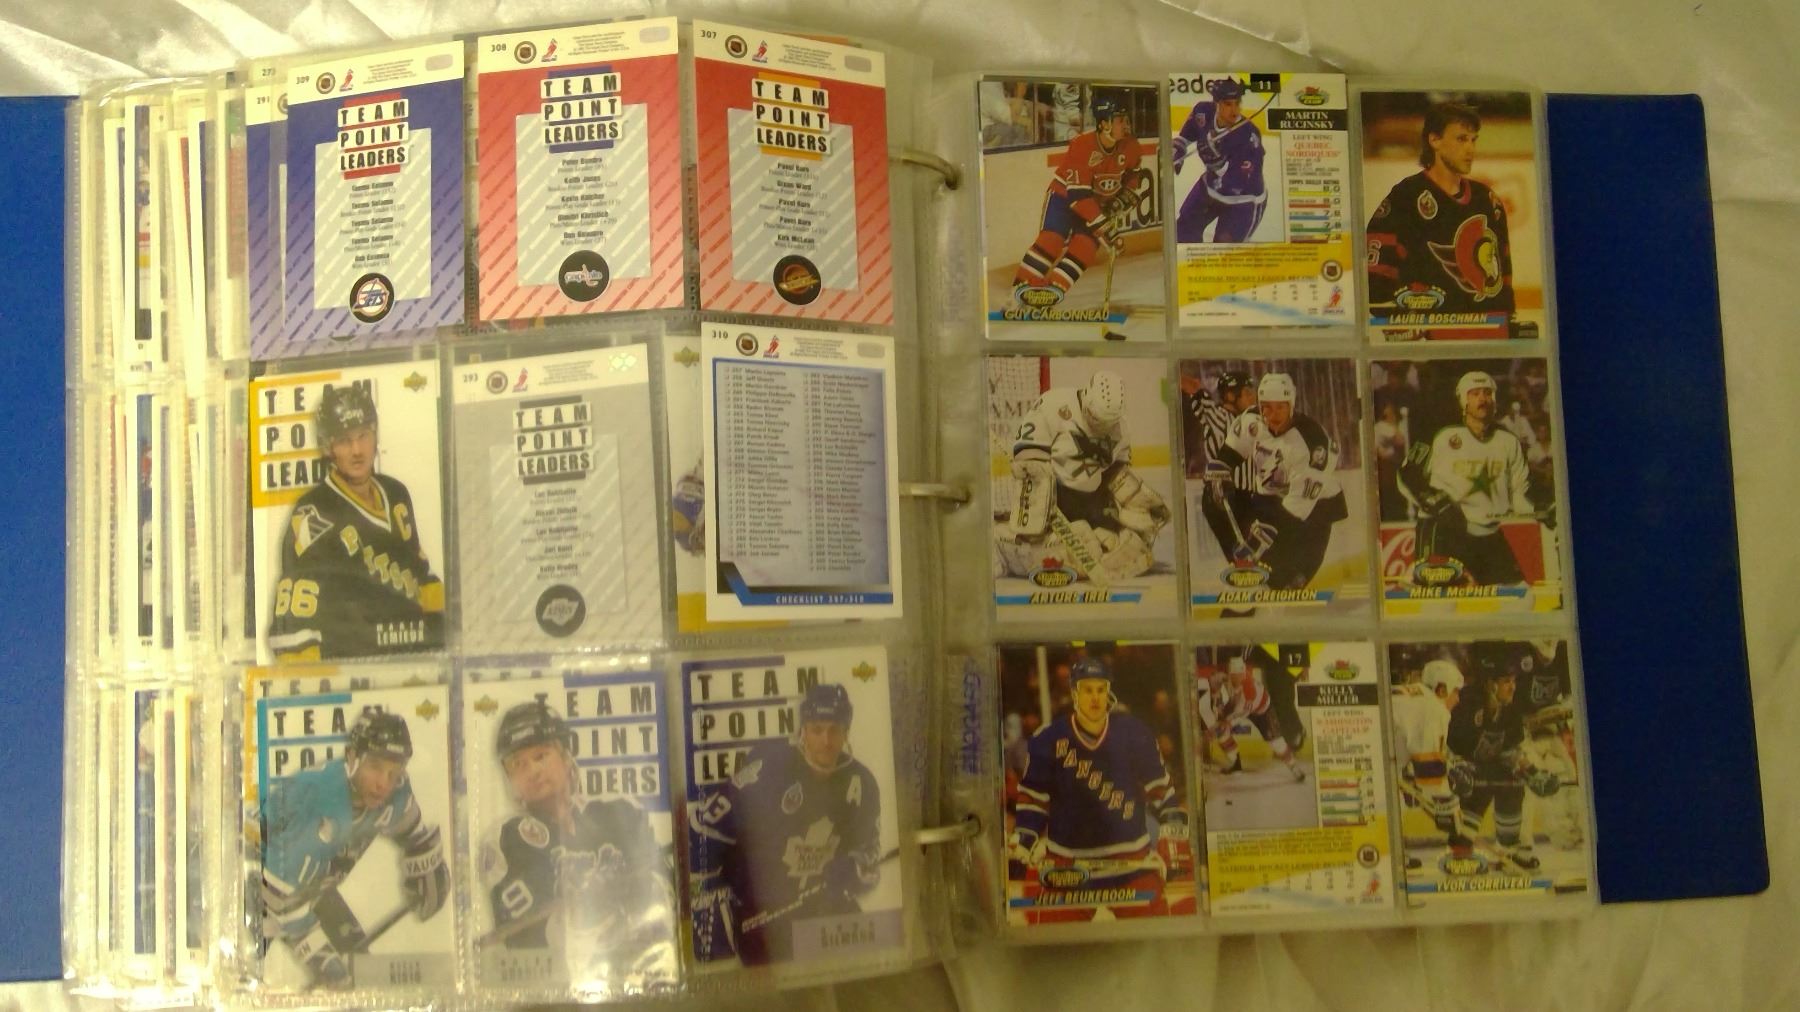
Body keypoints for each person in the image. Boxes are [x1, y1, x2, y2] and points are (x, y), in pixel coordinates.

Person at [687, 684, 883, 965]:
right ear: (803, 729)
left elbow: (870, 854)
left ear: (846, 732)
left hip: (820, 906)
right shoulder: (770, 766)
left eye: (835, 730)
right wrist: (713, 891)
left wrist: (855, 867)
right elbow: (704, 829)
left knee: (865, 960)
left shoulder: (862, 783)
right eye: (817, 729)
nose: (826, 740)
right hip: (758, 910)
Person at [258, 711, 448, 990]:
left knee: (361, 975)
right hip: (258, 891)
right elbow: (279, 901)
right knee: (246, 976)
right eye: (375, 766)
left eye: (393, 772)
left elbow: (413, 834)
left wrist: (427, 864)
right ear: (351, 757)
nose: (384, 783)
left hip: (310, 888)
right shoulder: (320, 803)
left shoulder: (395, 792)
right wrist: (321, 959)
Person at [479, 701, 668, 968]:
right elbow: (526, 940)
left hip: (642, 969)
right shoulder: (507, 840)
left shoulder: (620, 812)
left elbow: (665, 897)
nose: (532, 771)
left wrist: (633, 892)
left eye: (541, 756)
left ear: (566, 756)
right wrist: (590, 907)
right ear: (510, 780)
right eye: (518, 764)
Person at [267, 384, 444, 660]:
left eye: (363, 436)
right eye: (344, 441)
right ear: (328, 447)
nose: (357, 450)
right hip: (350, 660)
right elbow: (295, 605)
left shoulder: (396, 494)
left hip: (410, 653)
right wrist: (308, 671)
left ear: (375, 436)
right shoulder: (313, 512)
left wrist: (444, 634)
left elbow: (420, 574)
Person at [1009, 657, 1189, 919]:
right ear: (1074, 693)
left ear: (1108, 693)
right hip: (1069, 868)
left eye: (1100, 689)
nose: (1095, 697)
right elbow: (1033, 800)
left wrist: (1173, 830)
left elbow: (1160, 790)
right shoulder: (1048, 739)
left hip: (1131, 862)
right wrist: (1024, 840)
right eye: (1087, 690)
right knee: (1052, 935)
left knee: (1157, 931)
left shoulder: (1134, 733)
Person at [993, 370, 1170, 584]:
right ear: (1086, 396)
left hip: (1092, 502)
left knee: (1126, 546)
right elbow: (1028, 454)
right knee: (1046, 544)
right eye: (1095, 417)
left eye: (1106, 422)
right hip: (1055, 497)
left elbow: (1116, 472)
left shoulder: (1121, 429)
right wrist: (1038, 493)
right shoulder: (1053, 404)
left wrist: (1132, 494)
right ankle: (1003, 545)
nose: (1099, 426)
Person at [1365, 101, 1515, 336]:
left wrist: (1507, 322)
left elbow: (1502, 276)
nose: (1470, 149)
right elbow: (1377, 278)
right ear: (1434, 140)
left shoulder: (1487, 201)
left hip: (1484, 335)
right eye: (1461, 139)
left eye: (1473, 140)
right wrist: (1400, 325)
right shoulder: (1406, 196)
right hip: (1427, 340)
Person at [1204, 372, 1349, 589]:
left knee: (1289, 580)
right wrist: (1220, 470)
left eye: (1280, 407)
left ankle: (1284, 575)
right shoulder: (1251, 420)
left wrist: (1256, 541)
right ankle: (1246, 567)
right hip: (1271, 500)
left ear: (1291, 405)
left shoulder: (1312, 442)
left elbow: (1296, 511)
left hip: (1314, 510)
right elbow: (1231, 453)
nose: (1273, 415)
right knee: (1211, 497)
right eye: (1267, 407)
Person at [1396, 370, 1532, 584]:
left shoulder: (1507, 440)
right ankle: (1416, 578)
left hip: (1489, 534)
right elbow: (1407, 475)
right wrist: (1435, 501)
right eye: (1474, 393)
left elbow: (1520, 490)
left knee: (1522, 596)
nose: (1482, 399)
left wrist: (1540, 507)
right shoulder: (1439, 433)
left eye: (1487, 393)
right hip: (1443, 533)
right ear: (1463, 400)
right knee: (1441, 600)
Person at [1009, 93, 1143, 307]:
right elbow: (1078, 199)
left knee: (1085, 248)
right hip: (1064, 199)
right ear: (1104, 124)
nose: (1126, 124)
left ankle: (1048, 296)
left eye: (1126, 119)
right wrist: (1106, 229)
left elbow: (1133, 176)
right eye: (1120, 120)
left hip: (1096, 204)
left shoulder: (1131, 146)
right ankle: (1016, 296)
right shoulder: (1082, 145)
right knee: (1051, 241)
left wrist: (1125, 196)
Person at [1447, 665, 1560, 871]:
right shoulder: (1469, 704)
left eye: (1514, 681)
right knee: (1472, 783)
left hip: (1485, 768)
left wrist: (1532, 772)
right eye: (1507, 681)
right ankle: (1460, 851)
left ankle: (1508, 849)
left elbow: (1510, 751)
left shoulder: (1511, 710)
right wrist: (1455, 765)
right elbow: (1449, 742)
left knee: (1513, 782)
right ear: (1491, 685)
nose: (1513, 687)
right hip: (1461, 768)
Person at [1390, 657, 1472, 868]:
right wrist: (1451, 814)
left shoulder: (1414, 696)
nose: (1458, 700)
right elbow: (1429, 772)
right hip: (1370, 755)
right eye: (1456, 692)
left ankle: (1393, 855)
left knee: (1394, 797)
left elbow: (1415, 755)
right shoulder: (1434, 708)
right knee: (1392, 801)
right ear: (1441, 689)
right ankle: (1391, 858)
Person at [1172, 77, 1267, 243]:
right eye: (1228, 104)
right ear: (1216, 103)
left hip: (1243, 201)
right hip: (1210, 188)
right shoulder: (1202, 112)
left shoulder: (1249, 136)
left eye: (1237, 104)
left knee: (1224, 249)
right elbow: (1186, 136)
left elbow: (1240, 181)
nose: (1234, 110)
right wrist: (1177, 150)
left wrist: (1217, 163)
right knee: (1184, 230)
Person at [1195, 653, 1305, 782]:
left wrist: (1224, 723)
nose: (1235, 680)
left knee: (1276, 742)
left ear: (1243, 674)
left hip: (1262, 711)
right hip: (1239, 706)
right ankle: (1236, 764)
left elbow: (1241, 713)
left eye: (1239, 677)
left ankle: (1293, 767)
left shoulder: (1249, 691)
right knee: (1220, 730)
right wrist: (1215, 698)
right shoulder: (1226, 674)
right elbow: (1213, 680)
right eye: (1233, 676)